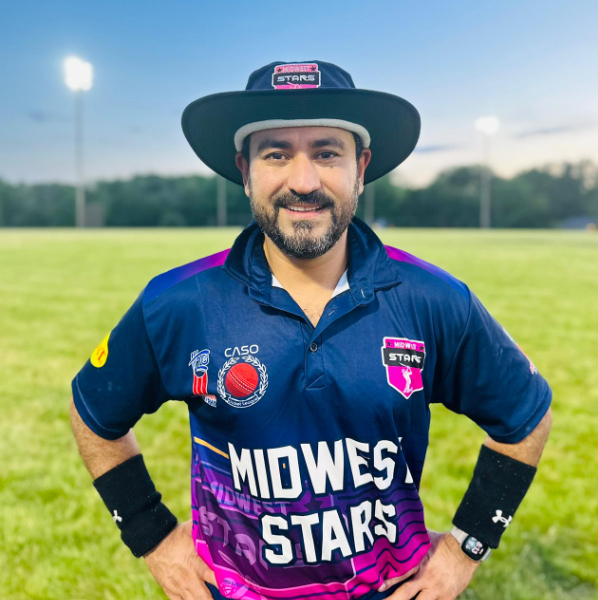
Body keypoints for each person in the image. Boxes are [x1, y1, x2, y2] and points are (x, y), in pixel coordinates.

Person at [70, 60, 552, 600]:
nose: (303, 182)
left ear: (360, 167)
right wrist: (151, 535)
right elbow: (93, 413)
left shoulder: (434, 298)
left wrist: (466, 548)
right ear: (245, 170)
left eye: (326, 153)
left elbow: (526, 416)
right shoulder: (177, 302)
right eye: (276, 154)